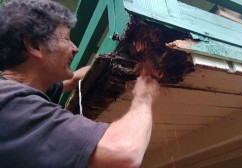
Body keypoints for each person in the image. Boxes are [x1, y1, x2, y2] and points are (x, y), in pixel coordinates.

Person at [0, 0, 159, 168]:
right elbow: (124, 152)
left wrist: (83, 74)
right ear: (34, 45)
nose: (75, 48)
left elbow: (66, 82)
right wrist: (144, 96)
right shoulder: (10, 105)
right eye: (66, 39)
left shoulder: (16, 91)